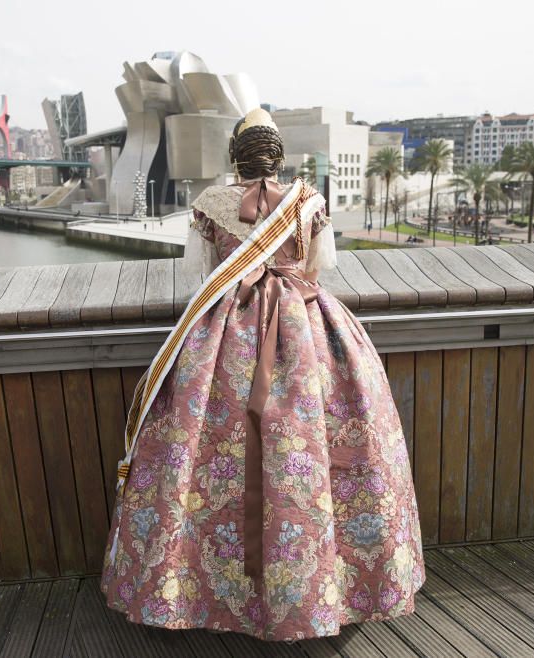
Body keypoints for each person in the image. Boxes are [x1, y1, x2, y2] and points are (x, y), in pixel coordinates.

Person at [100, 108, 424, 642]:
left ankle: (198, 590)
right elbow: (320, 269)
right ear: (279, 153)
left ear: (236, 155)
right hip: (307, 330)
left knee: (202, 457)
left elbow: (203, 275)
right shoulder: (309, 202)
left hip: (223, 337)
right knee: (321, 448)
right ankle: (328, 590)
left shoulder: (209, 204)